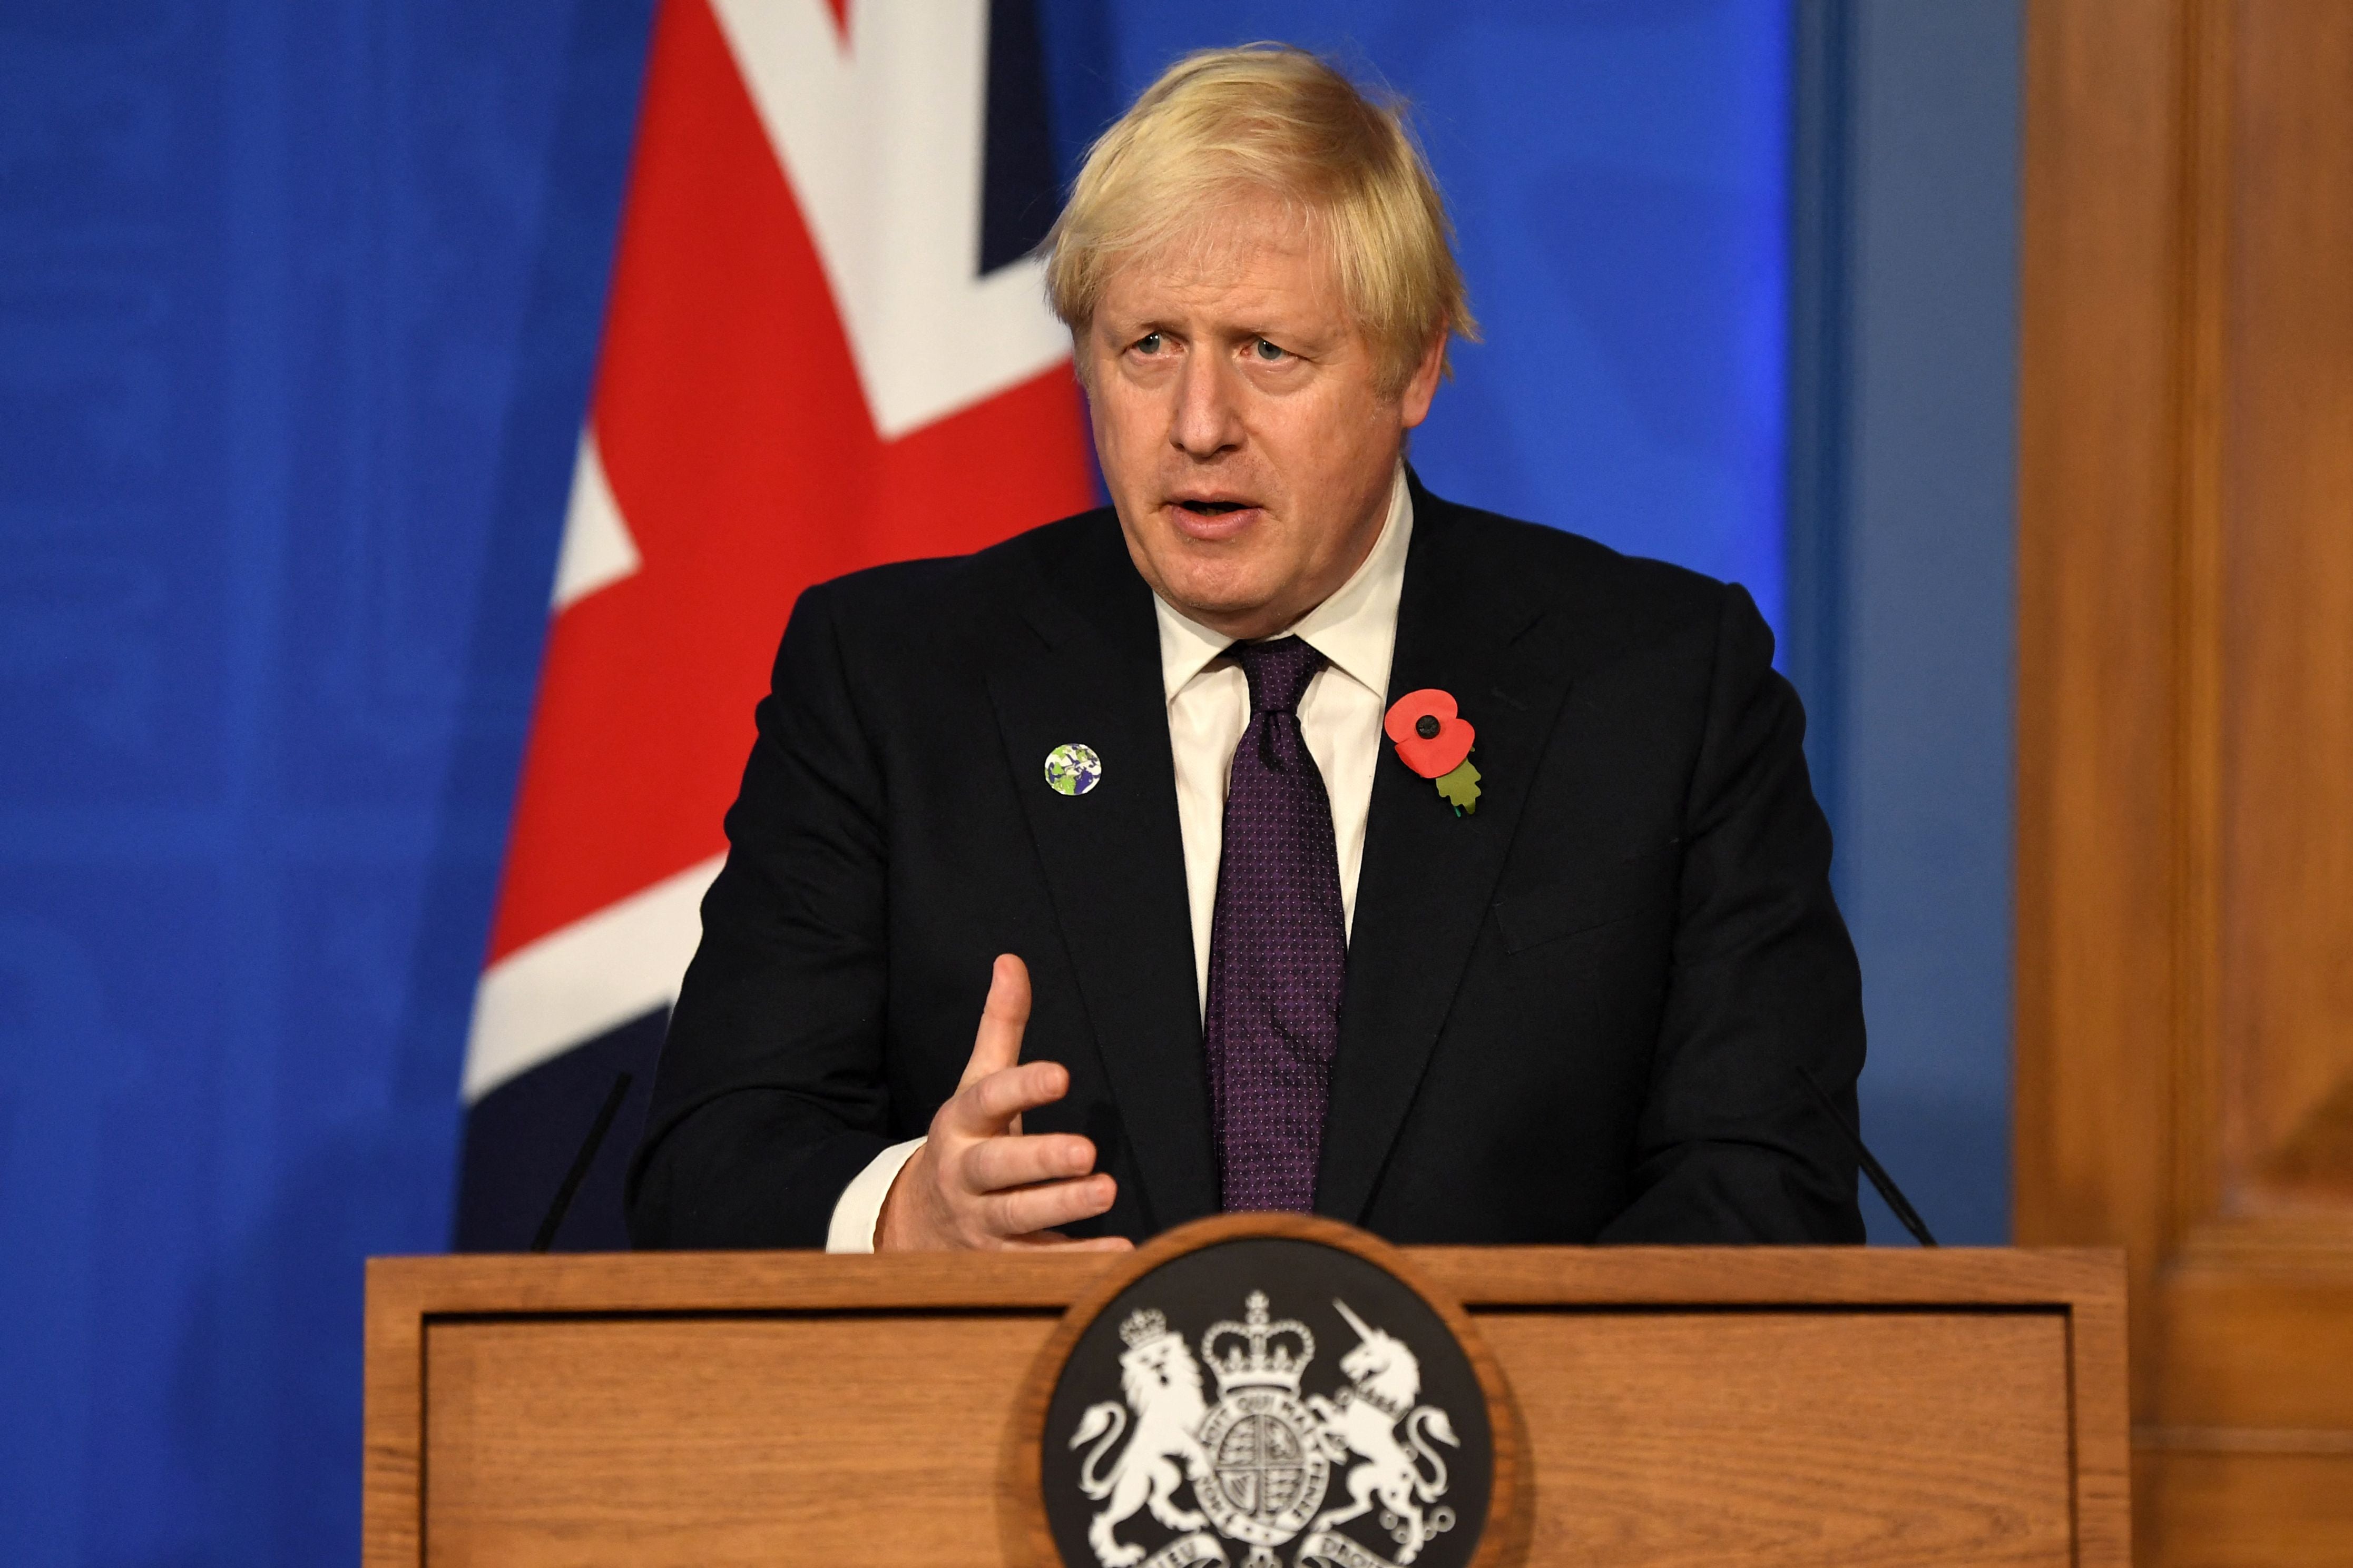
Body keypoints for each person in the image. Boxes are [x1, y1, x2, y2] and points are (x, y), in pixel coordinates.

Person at [626, 45, 1866, 1253]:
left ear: (1415, 362)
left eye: (1269, 352)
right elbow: (714, 1157)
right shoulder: (897, 680)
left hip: (1514, 1449)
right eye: (1148, 346)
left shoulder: (1653, 687)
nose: (1198, 425)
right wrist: (910, 1217)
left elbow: (1762, 1184)